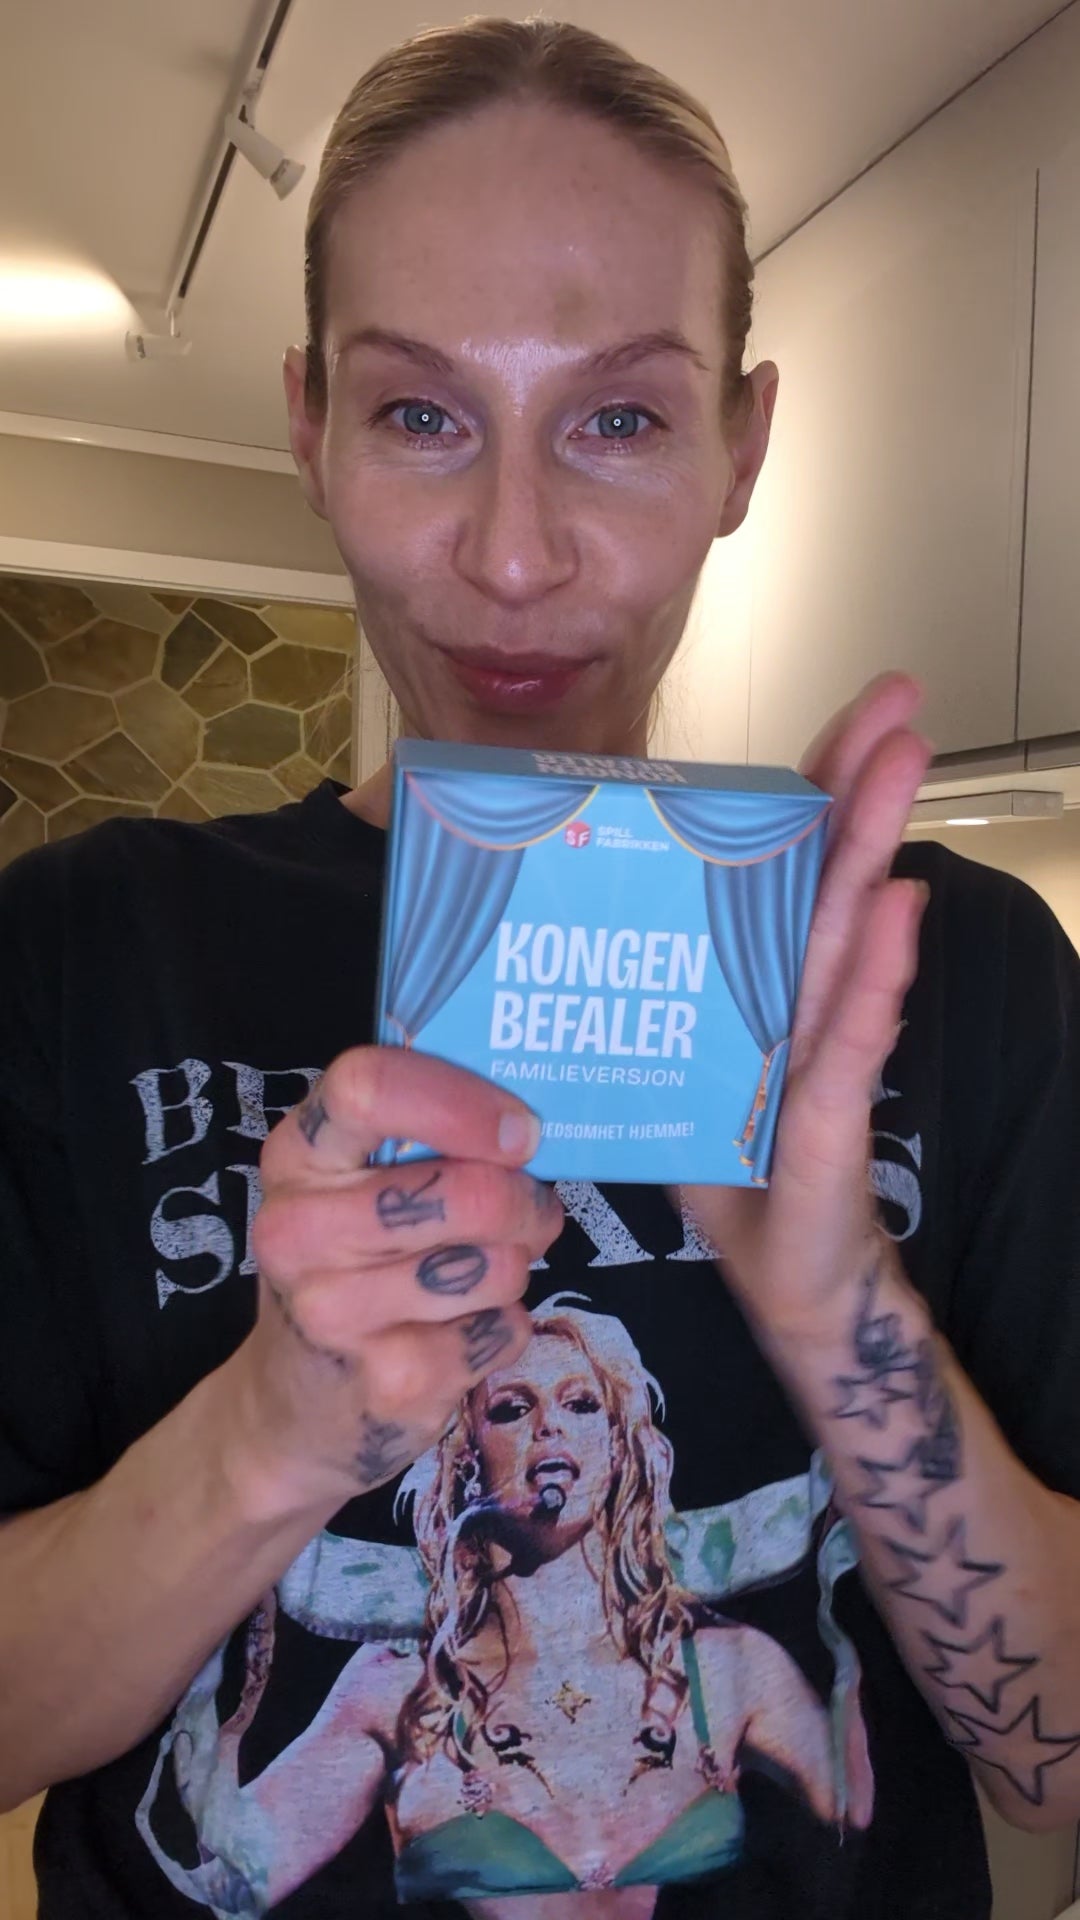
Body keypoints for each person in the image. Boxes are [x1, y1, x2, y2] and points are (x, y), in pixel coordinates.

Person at [1, 16, 1079, 1920]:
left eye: (621, 419)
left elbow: (1061, 1759)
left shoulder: (951, 973)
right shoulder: (80, 951)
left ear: (742, 446)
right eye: (421, 415)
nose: (513, 556)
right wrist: (271, 1432)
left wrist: (840, 1308)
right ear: (309, 428)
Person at [131, 1296, 873, 1911]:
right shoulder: (398, 1687)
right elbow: (236, 1878)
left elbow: (860, 1812)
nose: (550, 1426)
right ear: (467, 1459)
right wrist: (213, 1731)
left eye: (582, 1404)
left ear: (618, 1448)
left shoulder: (726, 1663)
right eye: (513, 1409)